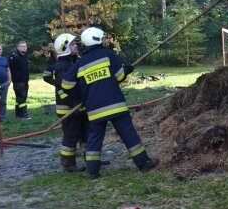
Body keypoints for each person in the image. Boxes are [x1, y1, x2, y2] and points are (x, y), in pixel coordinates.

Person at [61, 27, 158, 179]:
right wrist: (127, 69)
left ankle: (92, 171)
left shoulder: (80, 64)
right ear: (97, 40)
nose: (105, 40)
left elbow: (66, 84)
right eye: (103, 38)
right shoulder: (108, 55)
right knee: (128, 134)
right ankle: (143, 163)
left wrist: (78, 96)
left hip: (94, 110)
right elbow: (119, 77)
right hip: (115, 105)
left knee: (95, 138)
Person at [43, 33, 87, 172]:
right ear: (65, 48)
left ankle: (91, 159)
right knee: (71, 137)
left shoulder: (76, 61)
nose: (76, 45)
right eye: (73, 44)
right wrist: (72, 101)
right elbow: (61, 88)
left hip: (80, 106)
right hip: (69, 109)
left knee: (86, 134)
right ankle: (68, 165)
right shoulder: (63, 66)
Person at [9, 40, 31, 120]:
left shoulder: (25, 55)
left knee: (21, 98)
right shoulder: (14, 56)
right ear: (18, 47)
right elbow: (9, 69)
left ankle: (18, 113)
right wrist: (11, 78)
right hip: (18, 81)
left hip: (25, 80)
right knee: (22, 97)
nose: (24, 47)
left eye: (25, 46)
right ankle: (24, 114)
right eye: (22, 46)